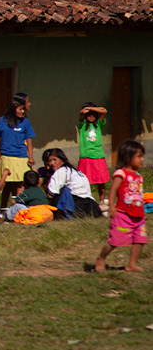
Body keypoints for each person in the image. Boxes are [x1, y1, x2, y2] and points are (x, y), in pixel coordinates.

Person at [95, 140, 147, 272]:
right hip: (123, 213)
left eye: (142, 156)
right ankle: (101, 258)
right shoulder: (121, 173)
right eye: (139, 156)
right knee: (115, 241)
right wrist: (111, 206)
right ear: (128, 157)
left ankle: (131, 264)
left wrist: (142, 210)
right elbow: (113, 190)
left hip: (138, 216)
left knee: (140, 240)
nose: (142, 159)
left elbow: (138, 194)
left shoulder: (138, 175)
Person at [0, 98, 35, 208]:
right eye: (21, 109)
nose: (23, 112)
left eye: (24, 109)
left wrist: (31, 157)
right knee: (7, 185)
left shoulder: (26, 122)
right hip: (6, 157)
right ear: (14, 107)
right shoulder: (2, 120)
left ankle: (18, 209)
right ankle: (4, 209)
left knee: (20, 184)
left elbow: (29, 141)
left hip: (21, 157)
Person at [47, 148, 102, 218]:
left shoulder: (61, 171)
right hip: (93, 206)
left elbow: (51, 193)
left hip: (77, 204)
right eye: (50, 161)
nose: (52, 163)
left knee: (63, 191)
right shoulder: (77, 172)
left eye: (54, 159)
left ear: (62, 159)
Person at [77, 102, 110, 202]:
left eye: (93, 115)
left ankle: (102, 199)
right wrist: (85, 111)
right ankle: (86, 199)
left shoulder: (98, 124)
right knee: (84, 181)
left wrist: (91, 108)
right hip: (86, 157)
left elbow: (104, 111)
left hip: (98, 156)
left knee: (101, 181)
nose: (91, 117)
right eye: (89, 115)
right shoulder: (82, 125)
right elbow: (81, 114)